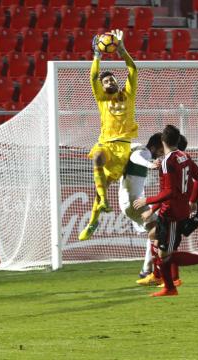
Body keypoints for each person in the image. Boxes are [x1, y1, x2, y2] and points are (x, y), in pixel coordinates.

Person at [134, 125, 198, 297]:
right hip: (173, 210)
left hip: (173, 213)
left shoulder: (168, 162)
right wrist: (193, 200)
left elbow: (169, 192)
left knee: (166, 255)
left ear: (163, 141)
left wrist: (148, 201)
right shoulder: (184, 156)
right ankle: (165, 281)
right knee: (158, 244)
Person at [79, 29, 139, 241]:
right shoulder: (102, 99)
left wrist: (122, 50)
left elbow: (132, 68)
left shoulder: (128, 95)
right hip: (105, 143)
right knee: (96, 157)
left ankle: (93, 220)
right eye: (106, 82)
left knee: (101, 188)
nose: (110, 82)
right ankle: (104, 202)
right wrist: (97, 55)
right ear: (102, 87)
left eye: (112, 79)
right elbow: (93, 76)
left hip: (122, 148)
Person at [117, 133, 164, 281]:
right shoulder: (144, 152)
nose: (162, 154)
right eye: (161, 150)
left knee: (155, 230)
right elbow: (135, 157)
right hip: (133, 201)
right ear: (155, 147)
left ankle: (147, 270)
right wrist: (150, 164)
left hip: (130, 201)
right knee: (159, 229)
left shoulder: (140, 149)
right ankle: (150, 271)